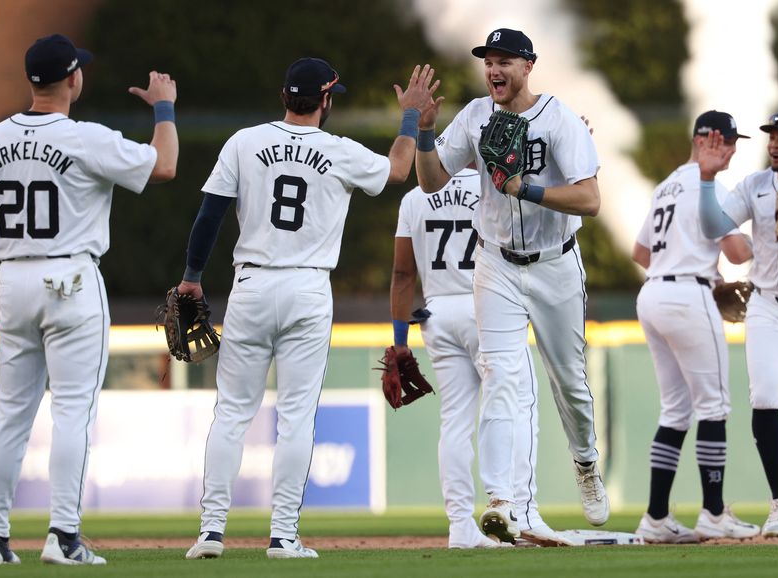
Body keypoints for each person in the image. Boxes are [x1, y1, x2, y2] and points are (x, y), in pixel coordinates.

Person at [180, 57, 437, 560]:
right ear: (326, 100)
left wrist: (191, 277)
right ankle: (281, 537)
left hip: (251, 285)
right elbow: (400, 170)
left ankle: (210, 533)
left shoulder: (244, 141)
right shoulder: (339, 150)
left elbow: (209, 214)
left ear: (283, 96)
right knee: (296, 417)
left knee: (231, 414)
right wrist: (409, 115)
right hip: (307, 289)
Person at [0, 34, 178, 565]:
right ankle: (63, 536)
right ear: (73, 78)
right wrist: (164, 106)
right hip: (71, 280)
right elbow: (164, 164)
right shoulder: (84, 138)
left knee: (11, 413)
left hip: (13, 281)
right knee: (73, 412)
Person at [413, 27, 609, 544]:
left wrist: (527, 187)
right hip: (496, 262)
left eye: (505, 61)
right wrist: (424, 132)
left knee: (570, 383)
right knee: (500, 376)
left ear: (528, 66)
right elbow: (431, 182)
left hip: (555, 264)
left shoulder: (560, 119)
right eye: (488, 61)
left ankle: (585, 461)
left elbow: (590, 200)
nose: (494, 70)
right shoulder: (476, 115)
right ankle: (502, 501)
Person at [390, 167, 572, 548]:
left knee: (455, 422)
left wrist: (400, 341)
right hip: (488, 306)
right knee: (519, 406)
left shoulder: (414, 197)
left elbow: (402, 273)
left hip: (437, 314)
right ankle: (521, 512)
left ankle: (460, 527)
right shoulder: (493, 187)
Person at [632, 110, 758, 543]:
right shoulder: (712, 189)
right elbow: (738, 253)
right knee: (714, 407)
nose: (733, 151)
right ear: (710, 139)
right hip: (688, 295)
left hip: (652, 295)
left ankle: (655, 518)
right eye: (729, 142)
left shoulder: (665, 185)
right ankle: (715, 512)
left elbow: (640, 252)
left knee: (676, 411)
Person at [698, 108, 778, 538]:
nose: (775, 144)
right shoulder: (756, 185)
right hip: (769, 306)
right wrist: (708, 180)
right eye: (771, 136)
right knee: (764, 397)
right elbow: (713, 225)